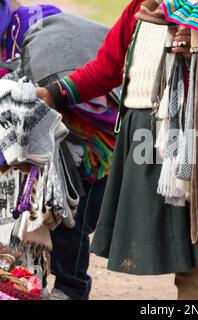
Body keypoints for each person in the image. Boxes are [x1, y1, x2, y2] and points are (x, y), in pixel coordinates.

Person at [37, 0, 198, 300]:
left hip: (189, 134)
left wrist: (195, 42)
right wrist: (54, 94)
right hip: (140, 131)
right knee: (169, 241)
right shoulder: (140, 8)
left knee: (192, 251)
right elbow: (106, 68)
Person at [0, 0, 110, 300]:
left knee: (69, 216)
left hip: (97, 141)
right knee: (44, 208)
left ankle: (71, 288)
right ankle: (36, 279)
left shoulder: (33, 36)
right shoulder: (24, 30)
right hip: (70, 135)